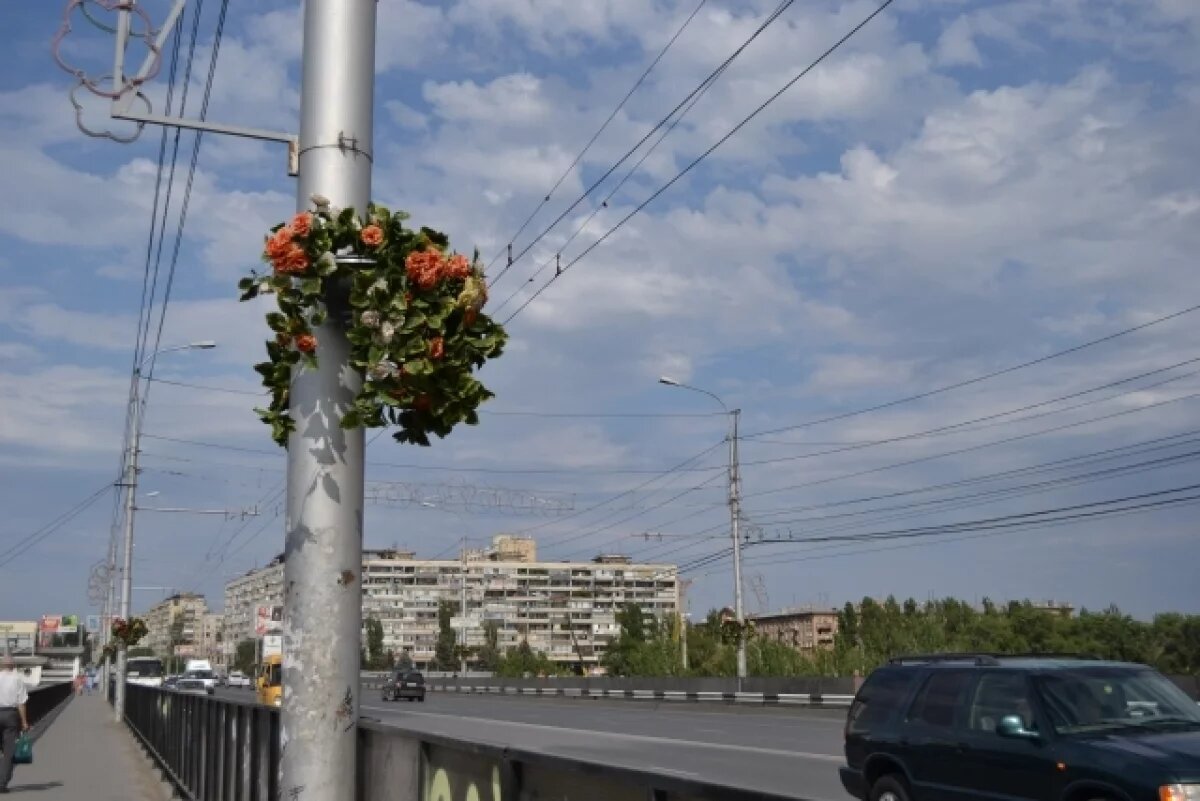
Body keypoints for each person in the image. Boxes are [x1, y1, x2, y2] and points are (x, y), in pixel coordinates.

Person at [0, 656, 31, 795]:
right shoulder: (17, 678)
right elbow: (21, 702)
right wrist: (24, 722)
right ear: (12, 666)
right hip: (10, 715)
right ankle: (2, 783)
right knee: (8, 750)